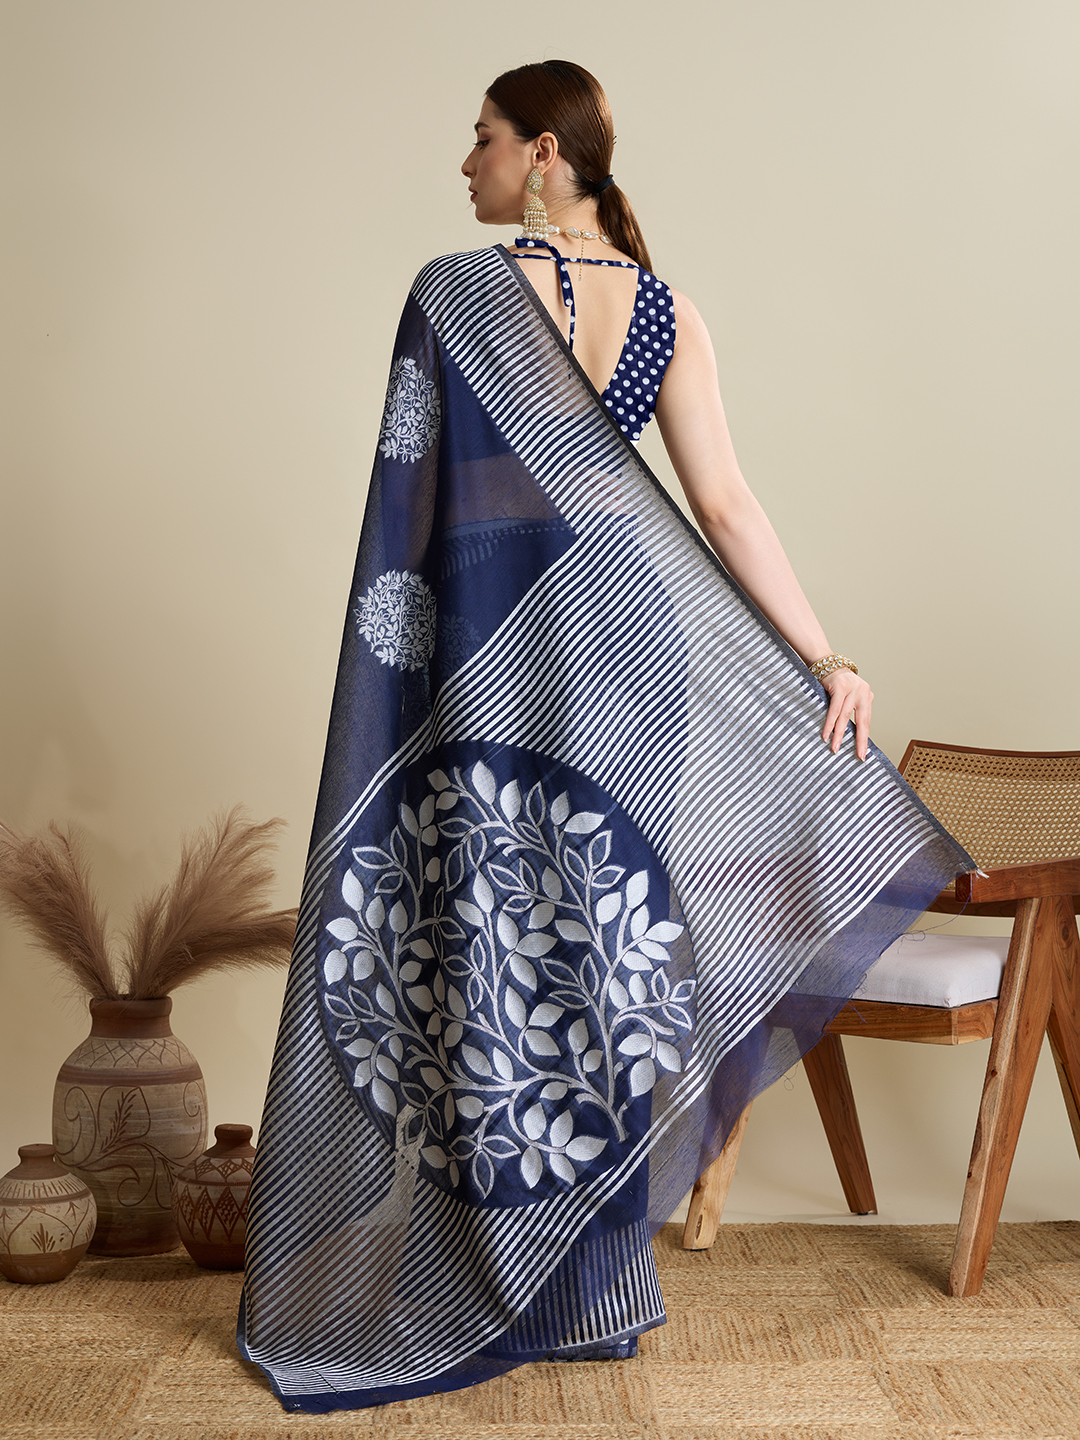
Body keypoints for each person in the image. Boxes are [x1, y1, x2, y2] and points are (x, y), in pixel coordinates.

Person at [239, 61, 971, 1414]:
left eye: (482, 138)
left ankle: (483, 1273)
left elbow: (417, 515)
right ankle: (590, 1291)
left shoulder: (455, 295)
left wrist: (403, 674)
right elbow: (726, 506)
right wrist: (827, 658)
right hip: (638, 655)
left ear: (543, 157)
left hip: (501, 657)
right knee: (612, 947)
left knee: (491, 946)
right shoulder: (665, 309)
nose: (465, 163)